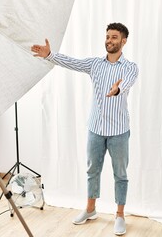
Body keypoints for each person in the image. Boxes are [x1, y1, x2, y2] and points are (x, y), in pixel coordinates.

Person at [31, 22, 138, 236]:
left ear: (123, 41)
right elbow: (73, 62)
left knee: (120, 174)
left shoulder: (130, 67)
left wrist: (117, 90)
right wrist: (50, 55)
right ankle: (90, 210)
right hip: (95, 129)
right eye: (107, 36)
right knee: (92, 171)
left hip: (119, 131)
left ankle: (119, 215)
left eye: (114, 37)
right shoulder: (95, 64)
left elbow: (126, 83)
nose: (109, 40)